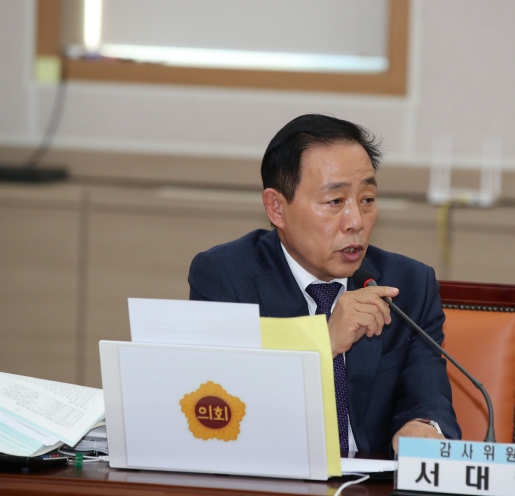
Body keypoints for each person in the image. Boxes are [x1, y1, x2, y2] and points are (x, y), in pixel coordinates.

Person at [188, 114, 461, 454]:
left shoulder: (408, 284)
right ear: (276, 207)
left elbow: (429, 398)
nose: (356, 221)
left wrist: (423, 427)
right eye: (335, 202)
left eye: (367, 199)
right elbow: (219, 405)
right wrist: (322, 343)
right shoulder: (226, 277)